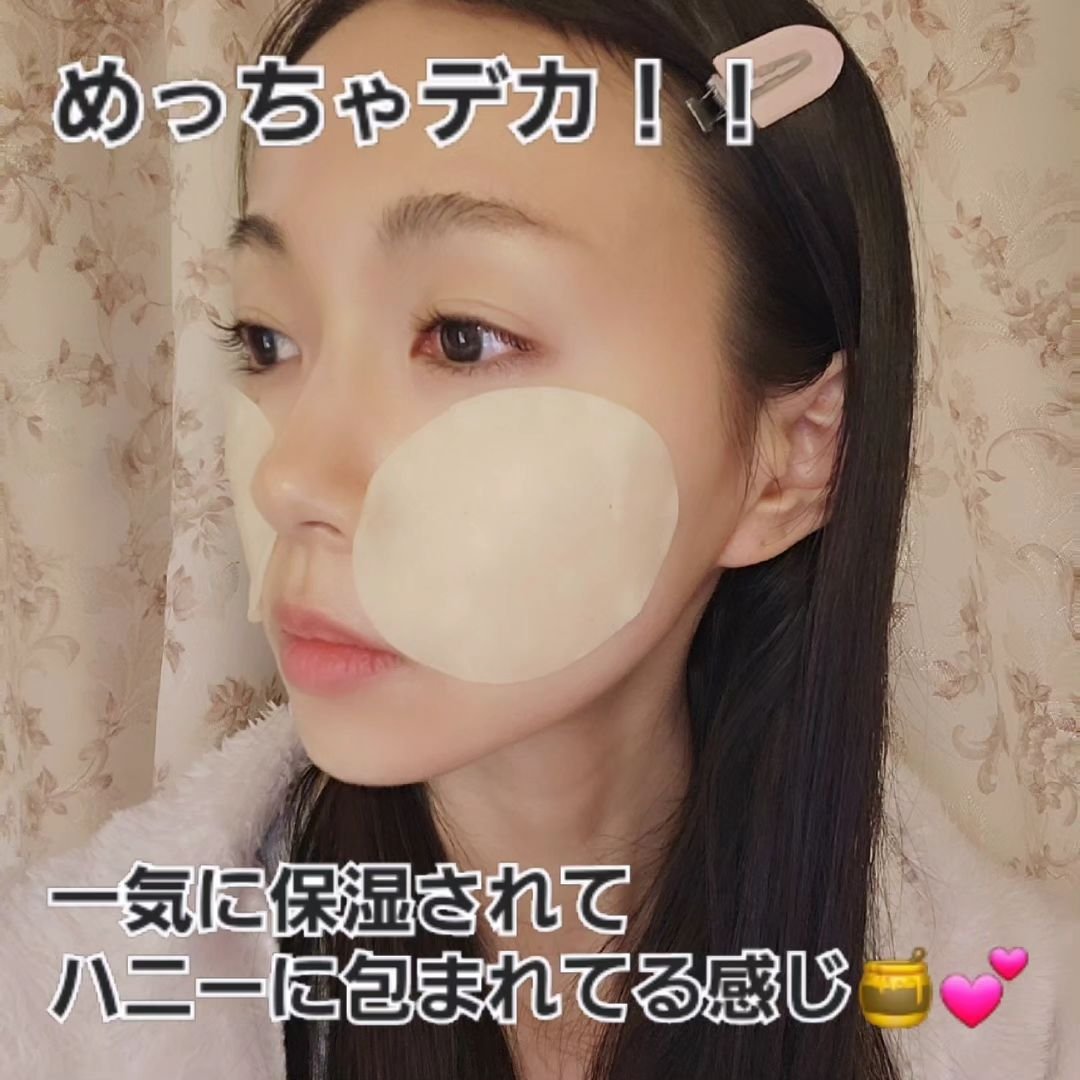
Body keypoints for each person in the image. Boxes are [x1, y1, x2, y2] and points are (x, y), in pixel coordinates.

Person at [1, 1, 1075, 1078]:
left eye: (463, 338)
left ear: (792, 457)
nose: (290, 477)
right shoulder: (63, 1014)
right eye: (268, 338)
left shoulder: (1026, 1027)